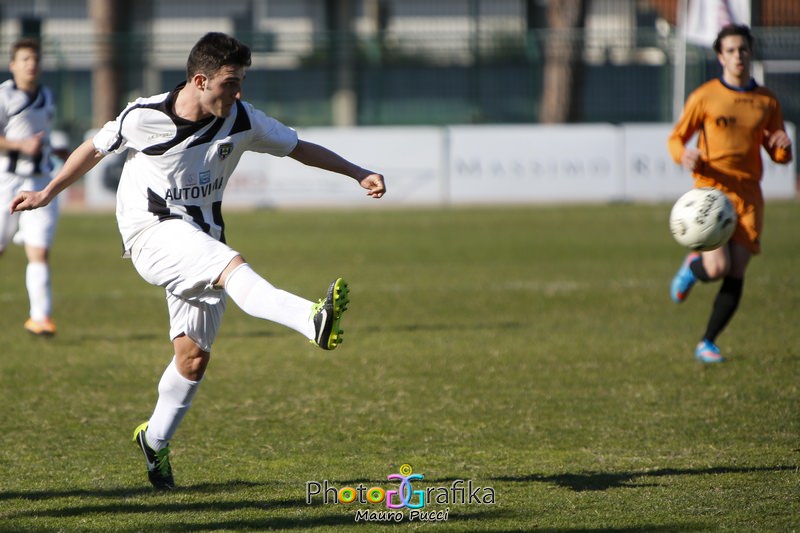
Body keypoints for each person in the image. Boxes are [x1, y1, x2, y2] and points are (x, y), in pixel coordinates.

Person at [11, 32, 386, 489]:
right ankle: (311, 320)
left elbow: (299, 148)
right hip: (150, 233)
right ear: (200, 79)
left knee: (191, 360)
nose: (238, 92)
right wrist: (47, 193)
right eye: (231, 82)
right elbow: (94, 148)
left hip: (201, 238)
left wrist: (357, 172)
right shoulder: (145, 115)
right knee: (232, 266)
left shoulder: (242, 118)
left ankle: (154, 440)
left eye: (242, 81)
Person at [667, 24, 792, 364]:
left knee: (737, 270)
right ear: (720, 56)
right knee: (719, 266)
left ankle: (707, 342)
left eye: (743, 49)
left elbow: (778, 152)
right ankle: (695, 268)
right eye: (731, 50)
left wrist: (782, 147)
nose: (738, 56)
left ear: (750, 53)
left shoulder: (766, 100)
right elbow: (676, 139)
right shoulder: (705, 96)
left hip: (749, 194)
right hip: (712, 191)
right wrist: (685, 155)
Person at [0, 38, 68, 336]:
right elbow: (17, 138)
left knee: (39, 252)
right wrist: (19, 145)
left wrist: (54, 151)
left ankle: (40, 318)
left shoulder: (47, 94)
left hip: (40, 183)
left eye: (36, 59)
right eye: (25, 59)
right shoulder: (3, 96)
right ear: (13, 64)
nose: (32, 64)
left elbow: (40, 135)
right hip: (6, 182)